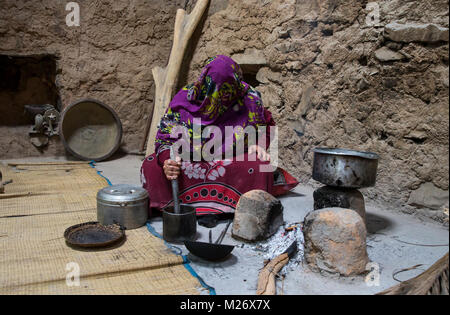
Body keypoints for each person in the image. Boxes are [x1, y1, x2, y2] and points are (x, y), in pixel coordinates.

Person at [141, 55, 298, 226]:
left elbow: (267, 125)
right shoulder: (185, 98)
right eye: (213, 91)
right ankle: (182, 207)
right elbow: (164, 135)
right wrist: (168, 160)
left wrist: (260, 145)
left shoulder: (250, 99)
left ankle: (237, 207)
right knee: (151, 166)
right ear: (203, 84)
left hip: (232, 158)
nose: (218, 98)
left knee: (262, 165)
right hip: (190, 158)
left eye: (226, 92)